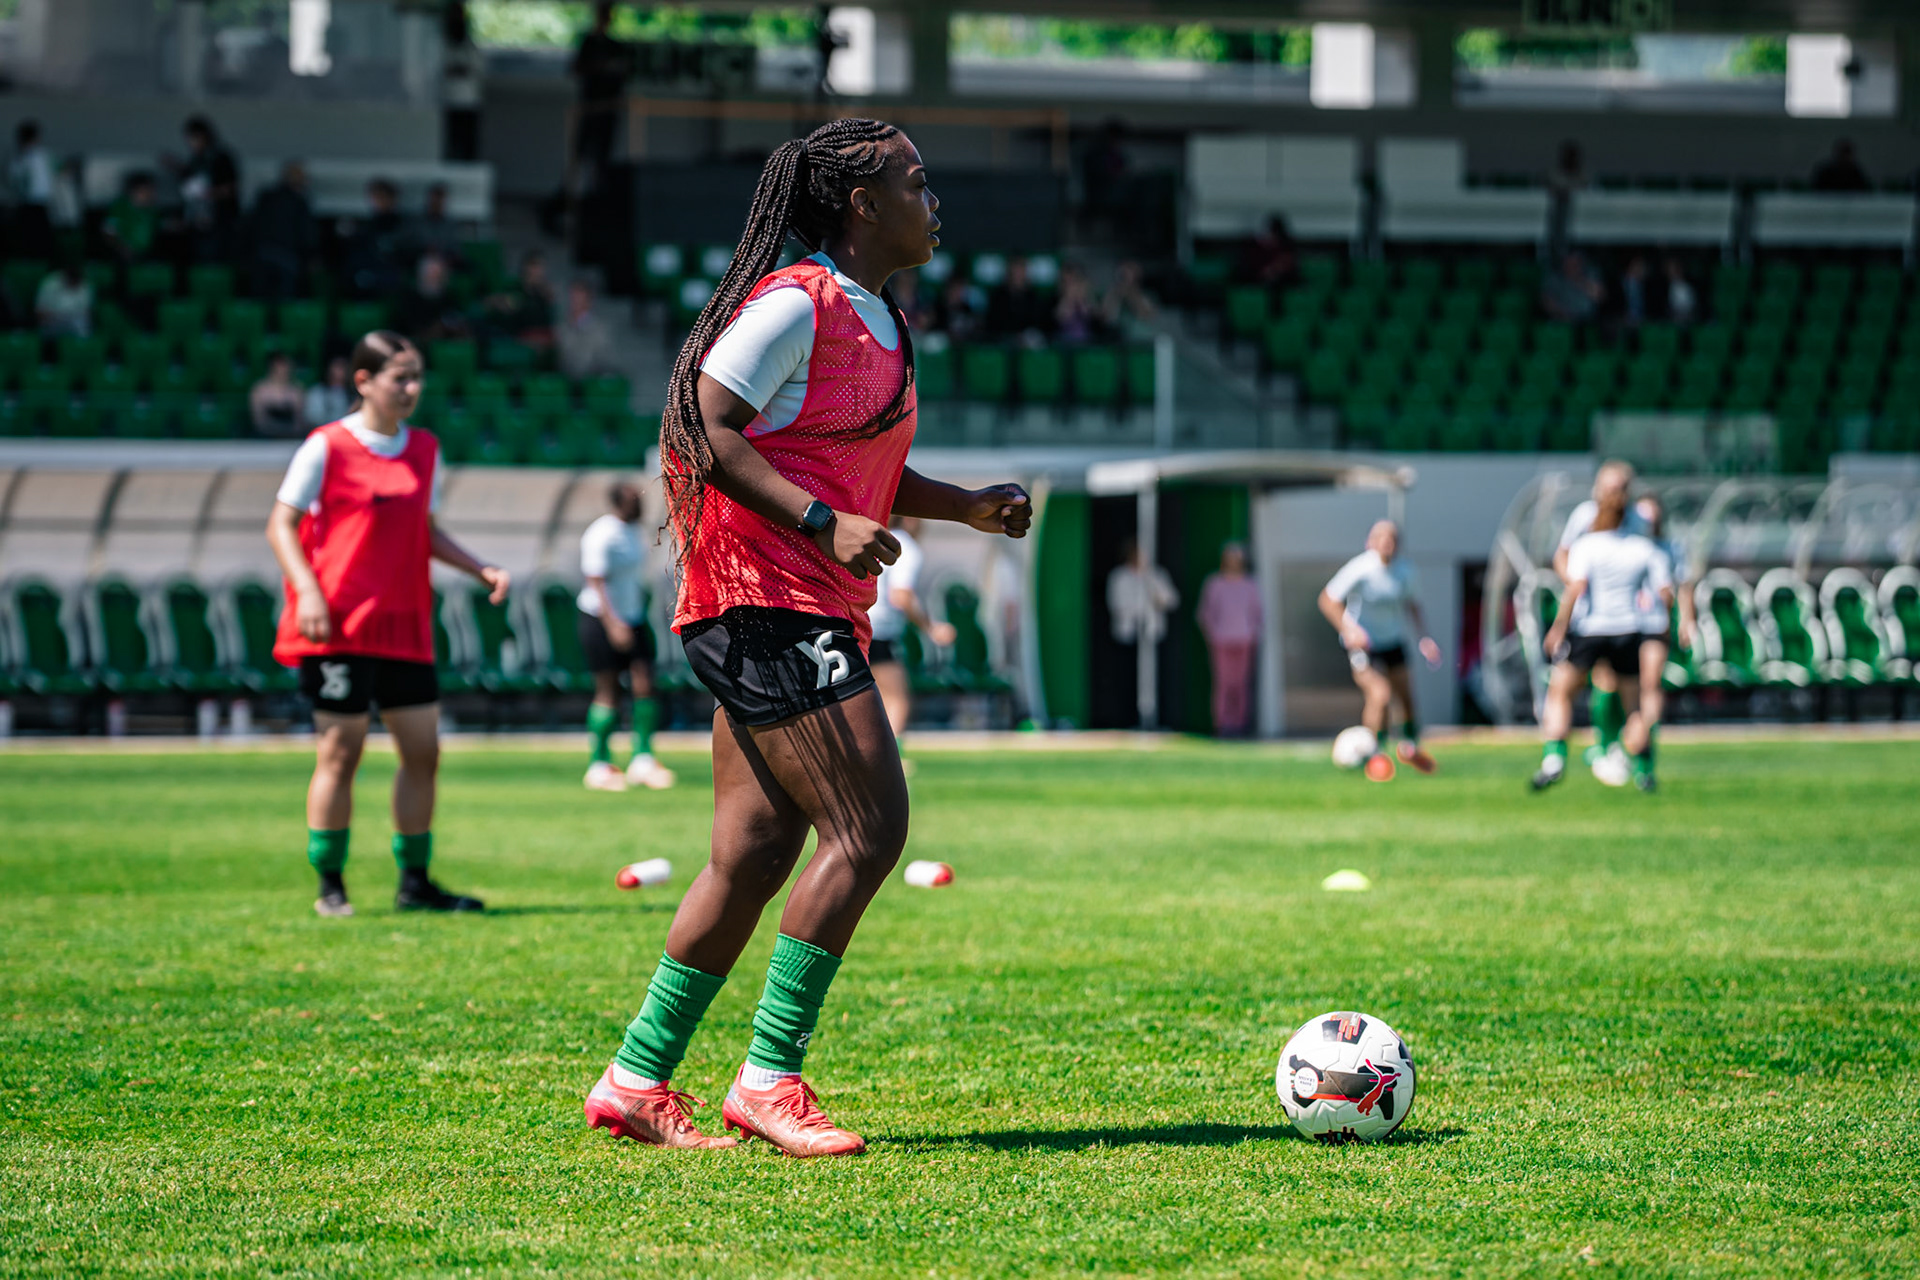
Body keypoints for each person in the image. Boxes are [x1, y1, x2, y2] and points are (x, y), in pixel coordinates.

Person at [580, 117, 1032, 1157]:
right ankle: (768, 1078)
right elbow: (704, 420)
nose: (934, 199)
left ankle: (636, 1077)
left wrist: (962, 505)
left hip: (799, 599)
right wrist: (823, 524)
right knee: (871, 827)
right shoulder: (797, 301)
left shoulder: (882, 317)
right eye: (915, 183)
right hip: (764, 598)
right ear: (862, 206)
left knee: (752, 851)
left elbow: (854, 469)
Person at [266, 331, 508, 917]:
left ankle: (414, 883)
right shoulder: (325, 445)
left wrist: (478, 568)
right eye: (400, 376)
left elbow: (424, 532)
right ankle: (331, 885)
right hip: (338, 626)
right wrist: (309, 593)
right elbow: (280, 525)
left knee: (423, 752)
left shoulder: (424, 449)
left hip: (404, 626)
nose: (411, 388)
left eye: (417, 376)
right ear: (363, 381)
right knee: (341, 752)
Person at [1536, 486, 1672, 794]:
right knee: (1635, 707)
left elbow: (1576, 589)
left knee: (1560, 693)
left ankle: (1554, 760)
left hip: (1590, 630)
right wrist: (1664, 624)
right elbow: (1665, 592)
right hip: (1628, 630)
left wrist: (1559, 627)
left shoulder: (1587, 546)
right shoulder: (1643, 547)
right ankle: (1644, 771)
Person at [1317, 520, 1441, 781]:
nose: (1387, 543)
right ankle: (1375, 755)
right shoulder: (1361, 568)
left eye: (1392, 538)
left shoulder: (1405, 571)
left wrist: (1425, 638)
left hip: (1393, 640)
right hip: (1364, 645)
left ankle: (1410, 747)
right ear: (1371, 542)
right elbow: (1327, 599)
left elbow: (1413, 605)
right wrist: (1349, 629)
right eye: (1381, 538)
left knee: (1405, 696)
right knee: (1380, 694)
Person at [1591, 493, 1694, 789]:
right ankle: (1607, 744)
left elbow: (1679, 587)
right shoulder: (1622, 545)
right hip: (1619, 624)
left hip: (1651, 625)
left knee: (1649, 686)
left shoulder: (1667, 548)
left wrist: (1685, 620)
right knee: (1608, 683)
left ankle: (1644, 760)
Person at [578, 481, 675, 793]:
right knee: (607, 690)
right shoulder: (601, 534)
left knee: (645, 683)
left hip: (633, 618)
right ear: (620, 502)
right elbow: (596, 582)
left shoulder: (636, 531)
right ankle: (599, 763)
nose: (641, 505)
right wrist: (613, 624)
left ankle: (643, 760)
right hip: (600, 619)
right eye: (635, 500)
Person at [1554, 460, 1649, 775]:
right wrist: (1575, 581)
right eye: (1608, 485)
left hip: (1604, 621)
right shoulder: (1583, 516)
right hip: (1600, 617)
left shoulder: (1635, 523)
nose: (1612, 492)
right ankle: (1618, 753)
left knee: (1602, 685)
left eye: (1618, 486)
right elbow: (1563, 557)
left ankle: (1601, 748)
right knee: (1609, 688)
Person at [868, 515, 955, 738]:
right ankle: (887, 764)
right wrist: (931, 628)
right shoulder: (904, 547)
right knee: (897, 699)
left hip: (857, 624)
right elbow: (901, 596)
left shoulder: (873, 538)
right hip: (879, 631)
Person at [1197, 542, 1262, 738]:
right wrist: (1214, 634)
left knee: (1241, 684)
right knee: (1223, 683)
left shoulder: (1250, 584)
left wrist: (1252, 633)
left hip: (1244, 641)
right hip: (1221, 641)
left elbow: (1258, 613)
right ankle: (1222, 724)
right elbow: (1205, 613)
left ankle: (1240, 724)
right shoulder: (1214, 583)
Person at [570, 3, 632, 194]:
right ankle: (574, 199)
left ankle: (598, 196)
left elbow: (625, 73)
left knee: (603, 156)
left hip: (608, 108)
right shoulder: (589, 43)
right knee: (581, 154)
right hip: (590, 107)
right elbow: (577, 69)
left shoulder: (616, 46)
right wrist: (599, 67)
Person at [171, 116, 241, 263]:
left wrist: (206, 194)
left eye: (193, 138)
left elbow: (230, 188)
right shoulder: (196, 160)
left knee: (215, 262)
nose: (190, 143)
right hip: (197, 222)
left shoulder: (221, 158)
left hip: (218, 223)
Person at [247, 162, 319, 301]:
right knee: (285, 300)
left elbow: (251, 226)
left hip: (263, 254)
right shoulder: (299, 202)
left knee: (260, 299)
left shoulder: (266, 197)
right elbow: (307, 233)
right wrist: (311, 255)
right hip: (287, 257)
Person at [343, 179, 409, 298]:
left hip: (389, 273)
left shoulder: (401, 225)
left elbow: (401, 253)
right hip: (369, 271)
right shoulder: (367, 225)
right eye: (375, 198)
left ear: (391, 199)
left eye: (382, 197)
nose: (378, 202)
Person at [483, 251, 557, 349]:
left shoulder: (545, 292)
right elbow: (491, 303)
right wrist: (500, 303)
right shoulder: (515, 289)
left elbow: (550, 321)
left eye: (542, 267)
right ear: (527, 268)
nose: (540, 271)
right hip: (519, 338)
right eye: (536, 266)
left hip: (543, 337)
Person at [396, 253, 471, 347]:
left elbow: (458, 321)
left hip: (448, 346)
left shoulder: (449, 297)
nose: (438, 276)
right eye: (433, 273)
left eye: (440, 272)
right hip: (419, 347)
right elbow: (413, 334)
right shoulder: (409, 300)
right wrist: (438, 328)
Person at [442, 3, 484, 163]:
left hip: (469, 100)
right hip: (449, 100)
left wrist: (459, 70)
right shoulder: (443, 44)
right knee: (451, 140)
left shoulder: (470, 47)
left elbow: (476, 69)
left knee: (468, 142)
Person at [8, 120, 55, 261]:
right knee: (31, 238)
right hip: (29, 203)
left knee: (40, 238)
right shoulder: (23, 157)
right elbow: (15, 180)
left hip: (40, 202)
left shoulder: (39, 155)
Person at [557, 280, 619, 380]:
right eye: (572, 298)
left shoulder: (600, 329)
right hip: (567, 379)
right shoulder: (561, 327)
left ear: (588, 301)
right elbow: (562, 357)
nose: (575, 302)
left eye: (579, 298)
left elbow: (602, 359)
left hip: (591, 380)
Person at [984, 257, 1051, 342]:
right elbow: (993, 323)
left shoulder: (1034, 297)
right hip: (1003, 339)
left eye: (1021, 271)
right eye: (1015, 271)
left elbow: (1040, 323)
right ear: (1009, 273)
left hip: (1027, 340)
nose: (1017, 275)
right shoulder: (997, 296)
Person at [103, 174, 161, 266]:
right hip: (122, 256)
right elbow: (108, 232)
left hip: (146, 256)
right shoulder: (119, 207)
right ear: (134, 191)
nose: (150, 194)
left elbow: (158, 224)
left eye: (151, 190)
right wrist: (121, 248)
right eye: (146, 190)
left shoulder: (151, 210)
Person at [250, 352, 306, 438]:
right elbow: (258, 420)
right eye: (278, 366)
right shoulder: (260, 390)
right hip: (266, 436)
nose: (282, 370)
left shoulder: (296, 390)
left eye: (284, 366)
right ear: (271, 368)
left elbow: (299, 420)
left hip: (291, 436)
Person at [1236, 215, 1299, 290]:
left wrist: (1275, 269)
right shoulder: (1256, 248)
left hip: (1282, 282)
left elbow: (1289, 264)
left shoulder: (1287, 248)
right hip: (1259, 279)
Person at [1542, 253, 1605, 324]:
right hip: (1561, 320)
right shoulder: (1555, 278)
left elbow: (1599, 296)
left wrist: (1579, 280)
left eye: (1575, 263)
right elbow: (1547, 301)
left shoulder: (1591, 274)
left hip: (1588, 320)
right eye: (1568, 262)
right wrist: (1563, 314)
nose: (1571, 265)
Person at [34, 262, 92, 339]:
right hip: (52, 327)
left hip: (76, 329)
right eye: (72, 282)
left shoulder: (85, 286)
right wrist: (57, 318)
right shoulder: (49, 284)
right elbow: (39, 313)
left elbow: (87, 313)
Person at [1053, 263, 1099, 344]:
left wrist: (1081, 301)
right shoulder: (1058, 299)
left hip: (1087, 339)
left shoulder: (1087, 298)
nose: (1071, 286)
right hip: (1064, 340)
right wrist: (1069, 299)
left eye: (1073, 281)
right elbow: (1061, 318)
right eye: (1066, 282)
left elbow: (1092, 317)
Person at [305, 356, 352, 428]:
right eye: (337, 366)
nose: (341, 370)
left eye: (344, 366)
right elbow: (313, 419)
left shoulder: (355, 395)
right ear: (329, 368)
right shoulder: (317, 393)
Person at [1664, 258, 1698, 326]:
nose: (1670, 273)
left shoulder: (1686, 287)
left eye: (1673, 270)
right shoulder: (1666, 286)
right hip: (1670, 320)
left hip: (1684, 319)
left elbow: (1690, 306)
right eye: (1669, 271)